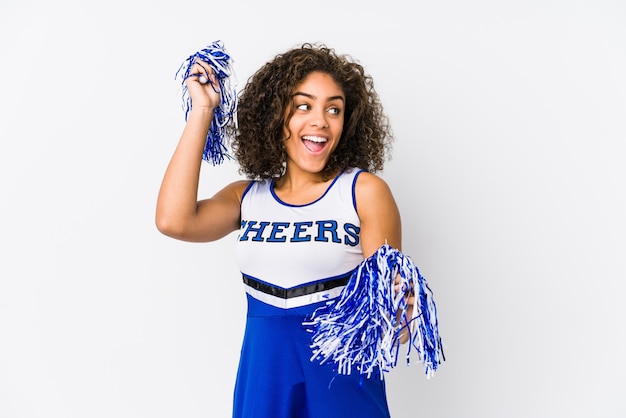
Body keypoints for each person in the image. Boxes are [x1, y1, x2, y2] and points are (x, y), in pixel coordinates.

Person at [156, 43, 406, 418]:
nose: (320, 120)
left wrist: (403, 315)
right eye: (303, 105)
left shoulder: (363, 192)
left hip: (339, 385)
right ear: (276, 114)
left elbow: (390, 318)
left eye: (333, 109)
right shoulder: (247, 196)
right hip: (264, 380)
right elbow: (174, 221)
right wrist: (203, 110)